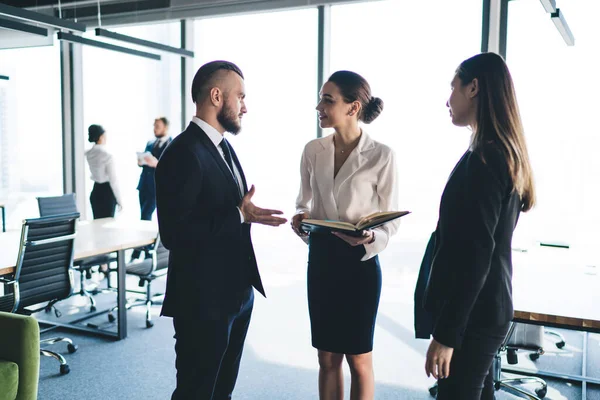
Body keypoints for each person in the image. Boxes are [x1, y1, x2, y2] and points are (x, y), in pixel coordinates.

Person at [155, 60, 287, 400]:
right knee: (196, 392)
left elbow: (225, 211)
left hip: (235, 295)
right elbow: (175, 233)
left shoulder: (224, 146)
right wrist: (238, 216)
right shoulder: (182, 152)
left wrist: (246, 215)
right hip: (203, 301)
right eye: (240, 96)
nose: (245, 105)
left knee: (221, 391)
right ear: (216, 96)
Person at [423, 52, 536, 400]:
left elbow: (475, 258)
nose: (448, 100)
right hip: (488, 308)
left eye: (453, 87)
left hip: (476, 314)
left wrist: (447, 336)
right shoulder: (500, 153)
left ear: (473, 88)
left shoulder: (486, 160)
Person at [292, 70, 400, 400]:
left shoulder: (382, 155)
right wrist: (301, 221)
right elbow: (304, 202)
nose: (319, 106)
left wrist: (371, 239)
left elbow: (391, 222)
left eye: (328, 100)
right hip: (322, 259)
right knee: (326, 358)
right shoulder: (313, 150)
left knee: (358, 359)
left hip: (359, 263)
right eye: (321, 98)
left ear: (353, 108)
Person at [132, 117, 172, 261]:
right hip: (144, 184)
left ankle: (144, 252)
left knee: (147, 217)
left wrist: (157, 164)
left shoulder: (172, 144)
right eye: (154, 126)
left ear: (165, 128)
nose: (155, 128)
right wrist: (141, 161)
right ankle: (142, 251)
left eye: (158, 126)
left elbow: (172, 168)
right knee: (143, 217)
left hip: (158, 186)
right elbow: (144, 163)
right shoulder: (150, 143)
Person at [85, 124, 123, 219]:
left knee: (97, 223)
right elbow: (113, 180)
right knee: (107, 226)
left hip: (95, 191)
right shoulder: (107, 155)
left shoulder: (88, 153)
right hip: (107, 192)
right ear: (101, 137)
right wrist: (119, 200)